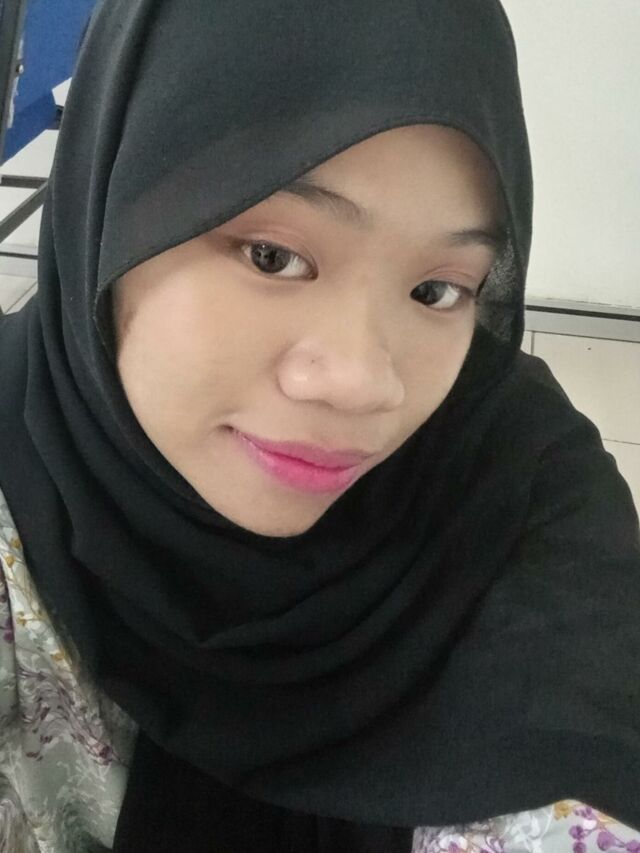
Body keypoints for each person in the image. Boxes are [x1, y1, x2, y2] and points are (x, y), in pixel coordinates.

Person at [0, 0, 639, 850]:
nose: (365, 384)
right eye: (273, 256)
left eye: (437, 289)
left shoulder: (520, 479)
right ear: (112, 204)